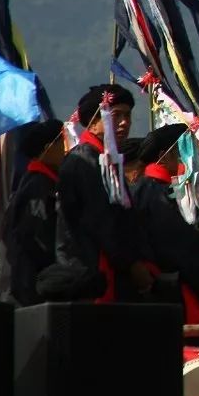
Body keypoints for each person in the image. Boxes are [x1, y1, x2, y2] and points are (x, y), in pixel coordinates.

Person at [52, 84, 155, 301]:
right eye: (116, 115)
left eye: (128, 116)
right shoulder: (84, 160)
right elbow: (101, 219)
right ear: (94, 120)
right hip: (92, 269)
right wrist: (132, 263)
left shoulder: (106, 160)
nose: (125, 123)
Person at [129, 124, 199, 323]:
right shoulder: (157, 193)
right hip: (175, 297)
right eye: (178, 152)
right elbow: (185, 250)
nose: (183, 158)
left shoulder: (143, 190)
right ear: (164, 156)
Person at [5, 119, 65, 305]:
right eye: (61, 142)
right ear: (49, 148)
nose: (65, 149)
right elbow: (35, 237)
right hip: (36, 285)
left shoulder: (41, 182)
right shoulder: (37, 186)